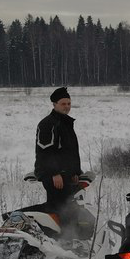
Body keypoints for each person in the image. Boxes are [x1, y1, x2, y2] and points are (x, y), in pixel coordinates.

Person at [34, 86, 92, 240]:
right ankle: (64, 242)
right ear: (54, 104)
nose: (67, 106)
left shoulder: (65, 123)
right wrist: (54, 173)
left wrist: (75, 172)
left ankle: (71, 241)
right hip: (54, 176)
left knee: (70, 208)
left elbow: (69, 152)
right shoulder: (48, 124)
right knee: (61, 209)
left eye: (69, 103)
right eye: (63, 104)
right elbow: (45, 152)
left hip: (66, 175)